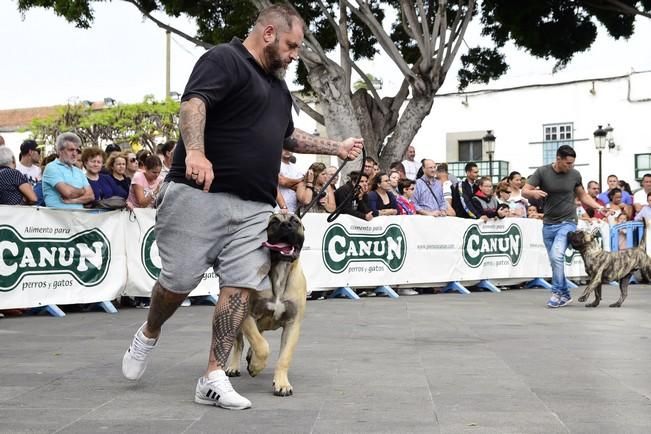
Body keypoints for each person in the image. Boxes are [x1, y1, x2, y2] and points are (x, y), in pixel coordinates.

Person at [121, 4, 363, 411]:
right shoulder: (224, 60)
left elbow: (288, 137)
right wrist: (195, 152)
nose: (294, 55)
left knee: (239, 288)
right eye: (291, 45)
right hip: (199, 195)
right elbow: (194, 105)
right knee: (177, 282)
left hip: (255, 208)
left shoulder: (279, 89)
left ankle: (213, 375)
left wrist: (334, 147)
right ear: (268, 33)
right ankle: (149, 331)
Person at [523, 145, 605, 308]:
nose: (570, 166)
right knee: (555, 260)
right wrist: (533, 193)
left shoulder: (575, 174)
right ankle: (565, 294)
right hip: (548, 224)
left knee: (557, 255)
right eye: (568, 163)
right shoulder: (542, 172)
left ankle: (556, 293)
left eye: (573, 163)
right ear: (558, 159)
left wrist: (599, 207)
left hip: (568, 222)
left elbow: (582, 195)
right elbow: (525, 190)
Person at [42, 132, 95, 209]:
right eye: (71, 150)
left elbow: (91, 196)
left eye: (77, 150)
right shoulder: (51, 167)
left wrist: (73, 201)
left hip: (78, 218)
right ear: (60, 151)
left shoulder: (78, 171)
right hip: (56, 218)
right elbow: (68, 192)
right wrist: (82, 191)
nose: (74, 154)